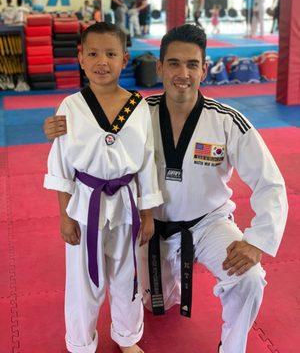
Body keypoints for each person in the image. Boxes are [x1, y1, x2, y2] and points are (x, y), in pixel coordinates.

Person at [43, 24, 288, 353]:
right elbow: (93, 140)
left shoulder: (227, 121)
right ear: (159, 67)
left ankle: (232, 348)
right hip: (147, 229)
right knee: (147, 301)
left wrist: (258, 240)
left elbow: (270, 182)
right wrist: (59, 126)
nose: (182, 73)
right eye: (173, 63)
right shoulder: (137, 112)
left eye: (191, 64)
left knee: (249, 277)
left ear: (204, 68)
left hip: (207, 224)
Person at [43, 22, 163, 353]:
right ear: (81, 58)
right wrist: (64, 215)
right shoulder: (70, 106)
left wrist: (148, 213)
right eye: (93, 54)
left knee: (128, 276)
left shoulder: (138, 105)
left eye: (110, 54)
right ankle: (81, 343)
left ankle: (127, 338)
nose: (102, 61)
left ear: (124, 59)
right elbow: (61, 164)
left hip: (126, 205)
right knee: (82, 282)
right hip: (84, 203)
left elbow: (147, 162)